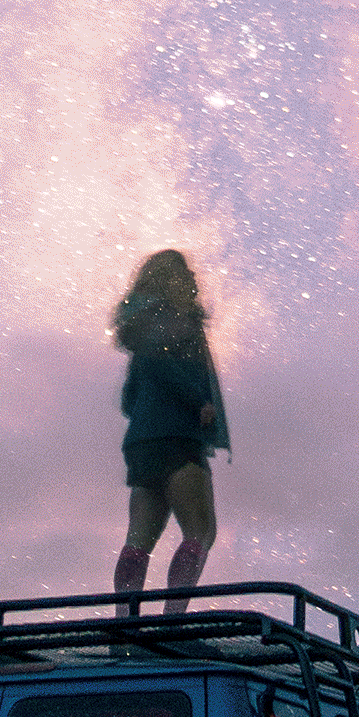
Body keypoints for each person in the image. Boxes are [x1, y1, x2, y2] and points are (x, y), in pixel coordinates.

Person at [109, 248, 230, 608]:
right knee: (201, 531)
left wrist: (149, 414)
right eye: (186, 273)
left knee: (140, 538)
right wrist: (197, 401)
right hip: (178, 436)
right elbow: (162, 364)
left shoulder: (141, 323)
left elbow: (129, 397)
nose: (194, 279)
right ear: (172, 280)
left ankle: (124, 627)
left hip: (143, 444)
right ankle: (172, 620)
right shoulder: (176, 319)